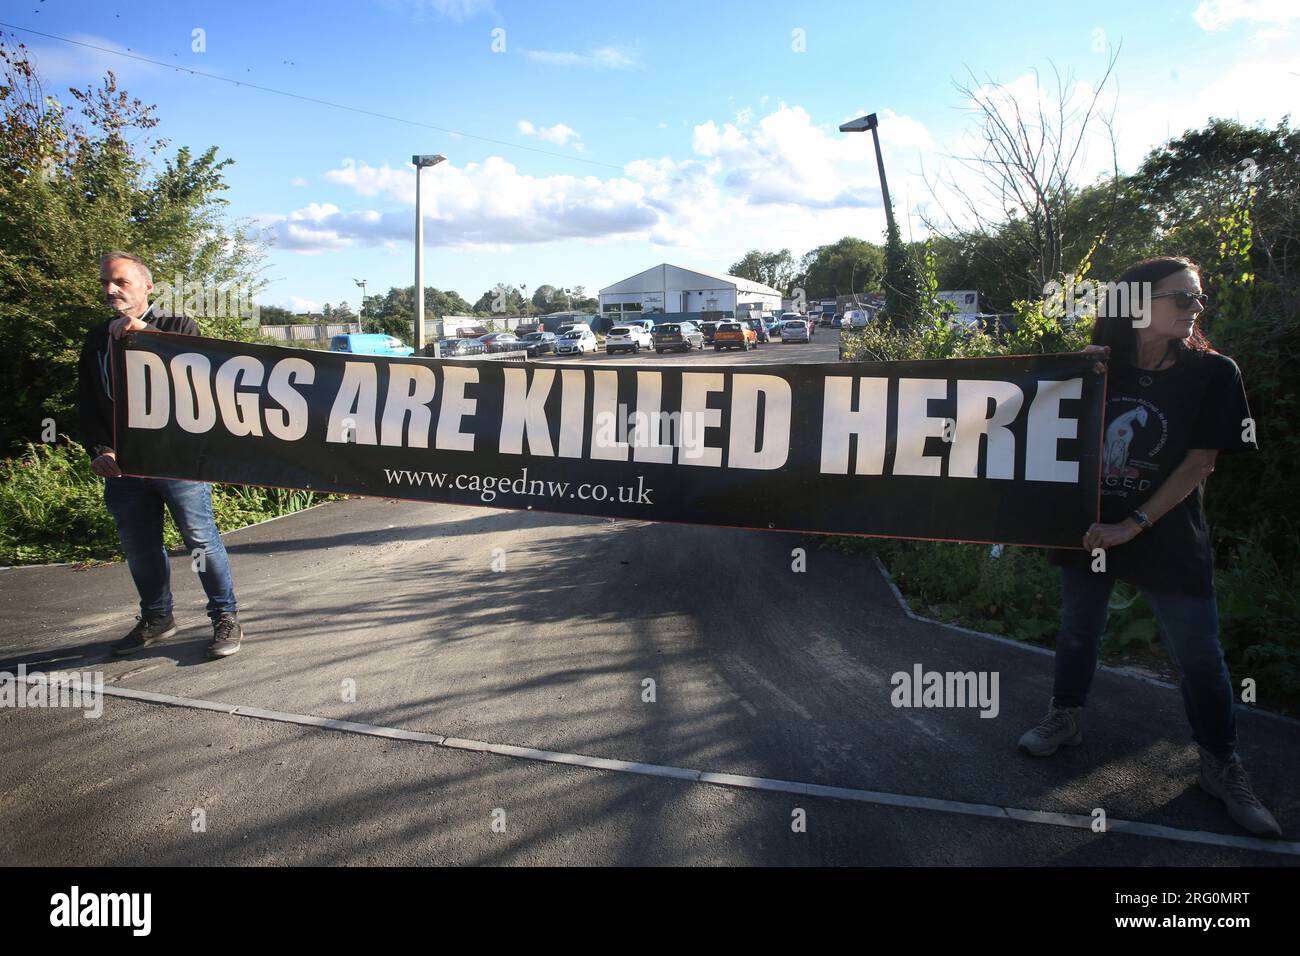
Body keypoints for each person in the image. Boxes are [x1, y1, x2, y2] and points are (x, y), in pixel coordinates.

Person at [1019, 255, 1281, 837]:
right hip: (1088, 528)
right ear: (1138, 304)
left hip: (1164, 533)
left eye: (1198, 299)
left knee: (1200, 657)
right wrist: (1064, 377)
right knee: (1078, 630)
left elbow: (1201, 461)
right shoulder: (1097, 367)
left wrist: (1131, 524)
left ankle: (1219, 763)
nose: (1196, 309)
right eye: (1182, 298)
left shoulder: (1214, 373)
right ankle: (1066, 717)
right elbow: (1022, 421)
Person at [77, 251, 244, 659]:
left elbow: (196, 383)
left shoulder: (176, 326)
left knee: (201, 541)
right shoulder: (97, 339)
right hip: (124, 467)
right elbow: (88, 402)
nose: (110, 289)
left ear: (147, 287)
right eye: (105, 283)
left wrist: (145, 335)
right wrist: (100, 449)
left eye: (120, 282)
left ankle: (225, 617)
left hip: (177, 462)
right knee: (139, 547)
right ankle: (157, 619)